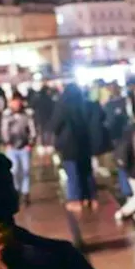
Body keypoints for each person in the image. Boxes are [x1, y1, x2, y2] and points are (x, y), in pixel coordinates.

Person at [50, 83, 96, 212]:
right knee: (86, 171)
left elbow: (55, 125)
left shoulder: (62, 105)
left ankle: (76, 200)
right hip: (85, 143)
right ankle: (89, 198)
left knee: (72, 172)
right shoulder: (85, 104)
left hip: (69, 144)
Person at [1, 93, 35, 205]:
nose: (16, 104)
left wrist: (30, 143)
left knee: (26, 170)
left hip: (24, 146)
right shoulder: (7, 115)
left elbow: (32, 128)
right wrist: (7, 142)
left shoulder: (27, 114)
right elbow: (4, 129)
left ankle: (26, 193)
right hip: (11, 147)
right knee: (14, 170)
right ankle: (16, 191)